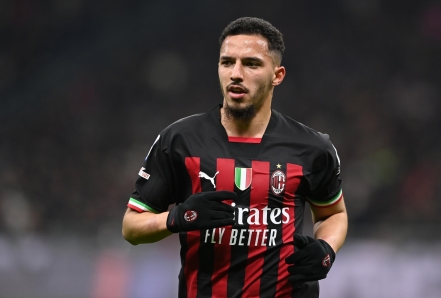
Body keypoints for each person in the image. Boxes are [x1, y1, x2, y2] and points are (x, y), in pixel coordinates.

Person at [122, 17, 348, 298]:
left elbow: (333, 214)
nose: (235, 73)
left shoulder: (313, 147)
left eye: (251, 64)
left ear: (277, 75)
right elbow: (131, 227)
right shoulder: (179, 140)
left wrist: (326, 248)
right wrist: (178, 217)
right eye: (227, 62)